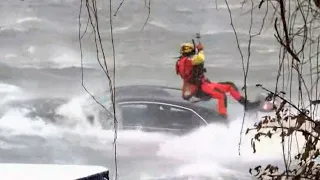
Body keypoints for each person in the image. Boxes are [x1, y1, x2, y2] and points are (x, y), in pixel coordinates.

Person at [175, 41, 260, 118]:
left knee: (229, 86)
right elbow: (200, 58)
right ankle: (223, 118)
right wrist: (200, 50)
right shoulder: (188, 61)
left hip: (194, 87)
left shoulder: (180, 62)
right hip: (201, 87)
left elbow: (192, 68)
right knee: (222, 95)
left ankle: (245, 105)